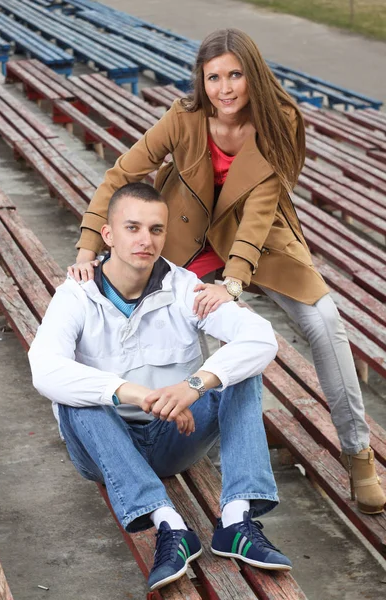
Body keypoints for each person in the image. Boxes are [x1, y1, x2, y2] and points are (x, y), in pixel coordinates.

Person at [68, 29, 385, 515]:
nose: (225, 88)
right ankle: (191, 433)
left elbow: (261, 208)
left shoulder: (281, 121)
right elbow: (121, 175)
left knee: (323, 321)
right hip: (189, 239)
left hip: (260, 239)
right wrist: (89, 244)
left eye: (235, 74)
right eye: (213, 77)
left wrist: (234, 282)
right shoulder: (183, 117)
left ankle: (357, 451)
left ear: (252, 75)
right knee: (207, 326)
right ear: (201, 80)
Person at [29, 182, 292, 592]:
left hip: (174, 439)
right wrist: (134, 393)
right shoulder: (76, 296)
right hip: (105, 451)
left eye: (155, 229)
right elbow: (43, 368)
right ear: (109, 235)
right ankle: (169, 526)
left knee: (241, 370)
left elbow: (261, 339)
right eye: (132, 227)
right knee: (76, 397)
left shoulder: (186, 288)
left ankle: (236, 521)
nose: (145, 240)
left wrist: (193, 386)